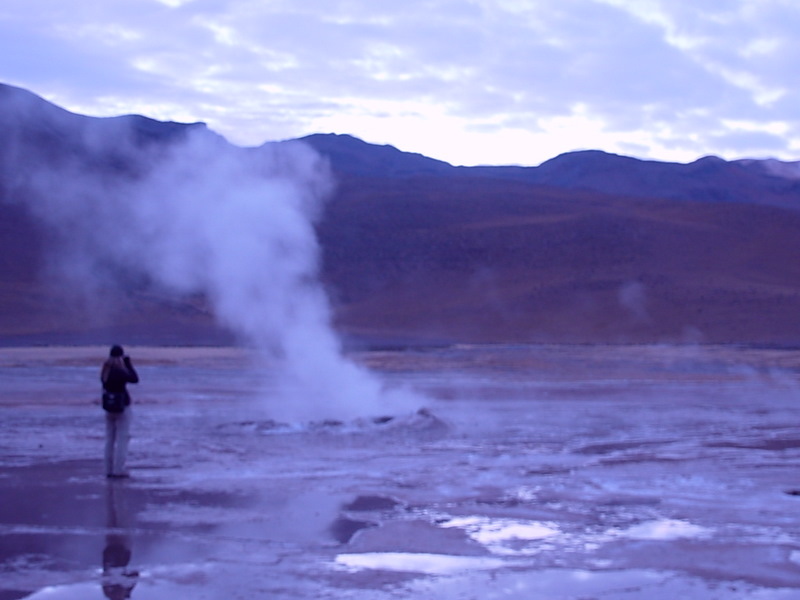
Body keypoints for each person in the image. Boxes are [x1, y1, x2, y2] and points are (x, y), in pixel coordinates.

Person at [101, 345, 139, 478]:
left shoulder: (105, 370)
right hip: (122, 407)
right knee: (122, 439)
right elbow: (135, 378)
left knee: (109, 439)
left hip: (109, 407)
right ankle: (119, 469)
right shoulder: (119, 370)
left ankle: (108, 469)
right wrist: (128, 363)